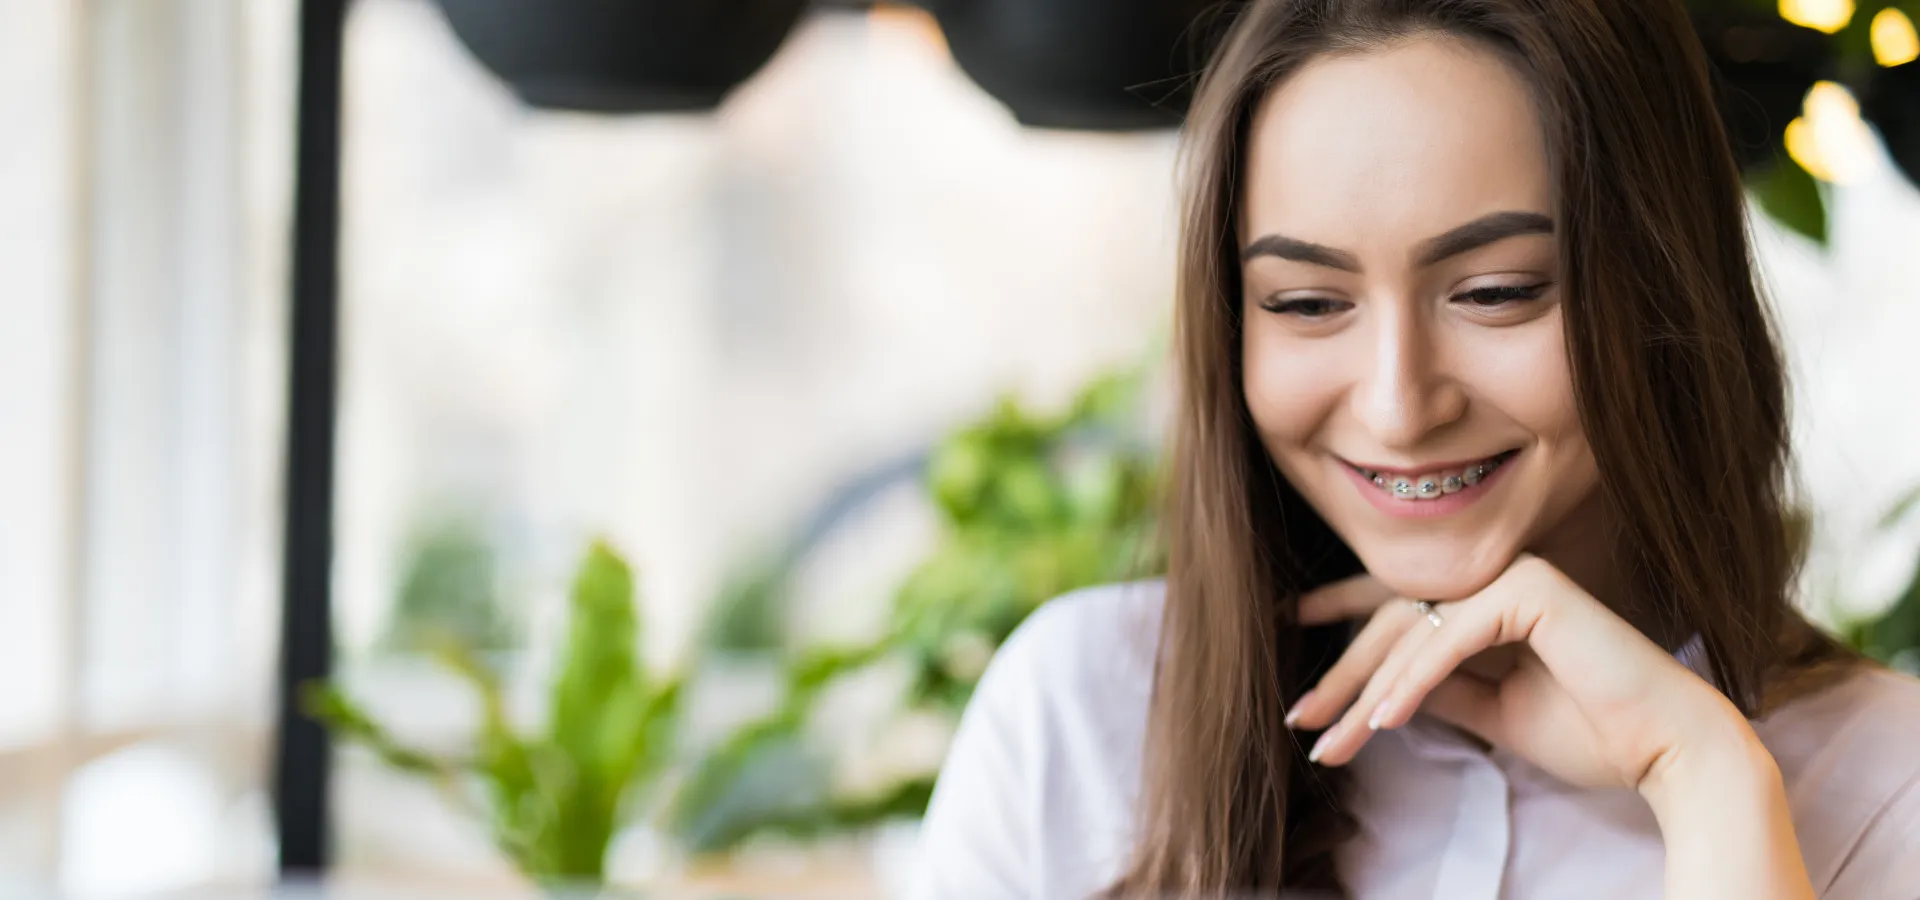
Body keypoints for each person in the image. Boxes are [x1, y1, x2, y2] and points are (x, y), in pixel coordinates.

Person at [908, 1, 1920, 898]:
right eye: (1307, 304)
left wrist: (1700, 776)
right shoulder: (1082, 714)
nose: (1398, 407)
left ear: (1664, 283)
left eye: (1495, 292)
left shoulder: (1887, 780)